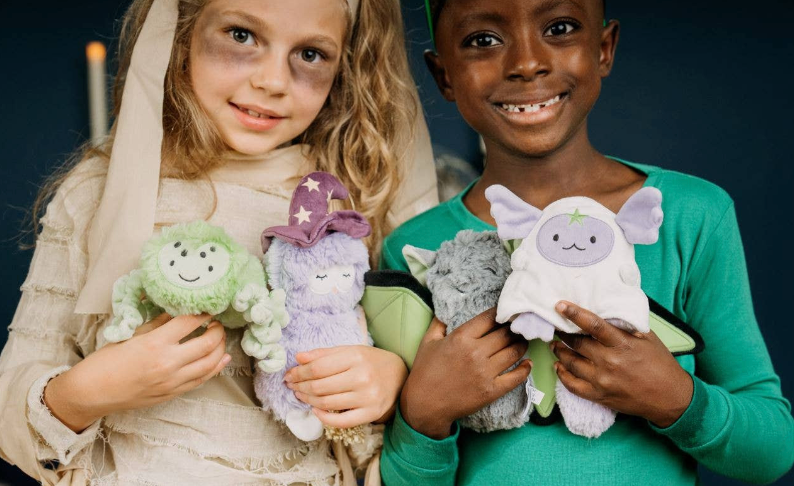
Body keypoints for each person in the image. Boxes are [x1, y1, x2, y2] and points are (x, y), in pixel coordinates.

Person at [0, 0, 437, 484]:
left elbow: (407, 426)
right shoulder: (97, 192)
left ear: (347, 67)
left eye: (310, 54)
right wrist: (88, 391)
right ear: (182, 32)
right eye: (242, 35)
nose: (273, 80)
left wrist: (391, 380)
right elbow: (9, 403)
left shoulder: (349, 199)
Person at [378, 0, 794, 484]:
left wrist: (677, 399)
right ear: (443, 74)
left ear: (603, 48)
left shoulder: (691, 214)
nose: (526, 62)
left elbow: (774, 450)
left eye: (559, 27)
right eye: (483, 40)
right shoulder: (413, 250)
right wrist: (424, 413)